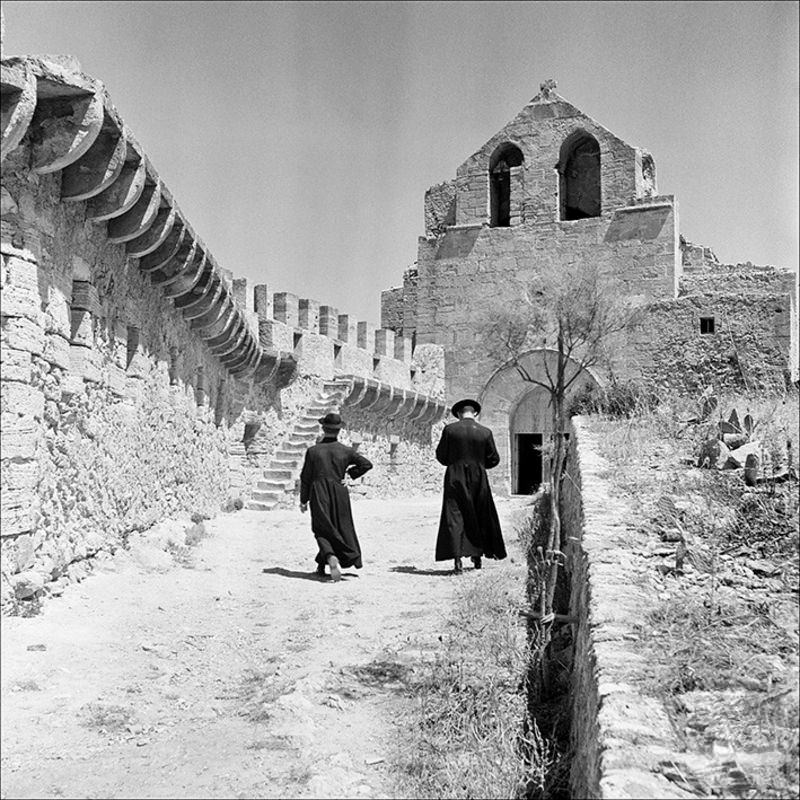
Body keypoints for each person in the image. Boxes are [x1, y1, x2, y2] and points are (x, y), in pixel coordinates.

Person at [435, 398, 506, 574]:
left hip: (455, 476)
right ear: (475, 413)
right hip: (478, 477)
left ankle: (457, 559)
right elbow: (494, 459)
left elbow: (441, 456)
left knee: (454, 514)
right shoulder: (485, 432)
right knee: (479, 512)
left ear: (459, 414)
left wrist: (455, 462)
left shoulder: (450, 430)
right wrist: (479, 465)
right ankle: (477, 556)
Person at [299, 412, 373, 581]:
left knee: (322, 528)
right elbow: (367, 464)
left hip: (318, 492)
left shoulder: (313, 451)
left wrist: (304, 500)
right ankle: (321, 564)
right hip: (339, 492)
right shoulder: (346, 451)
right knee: (338, 527)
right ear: (339, 431)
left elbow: (305, 477)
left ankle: (331, 557)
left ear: (323, 428)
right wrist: (350, 474)